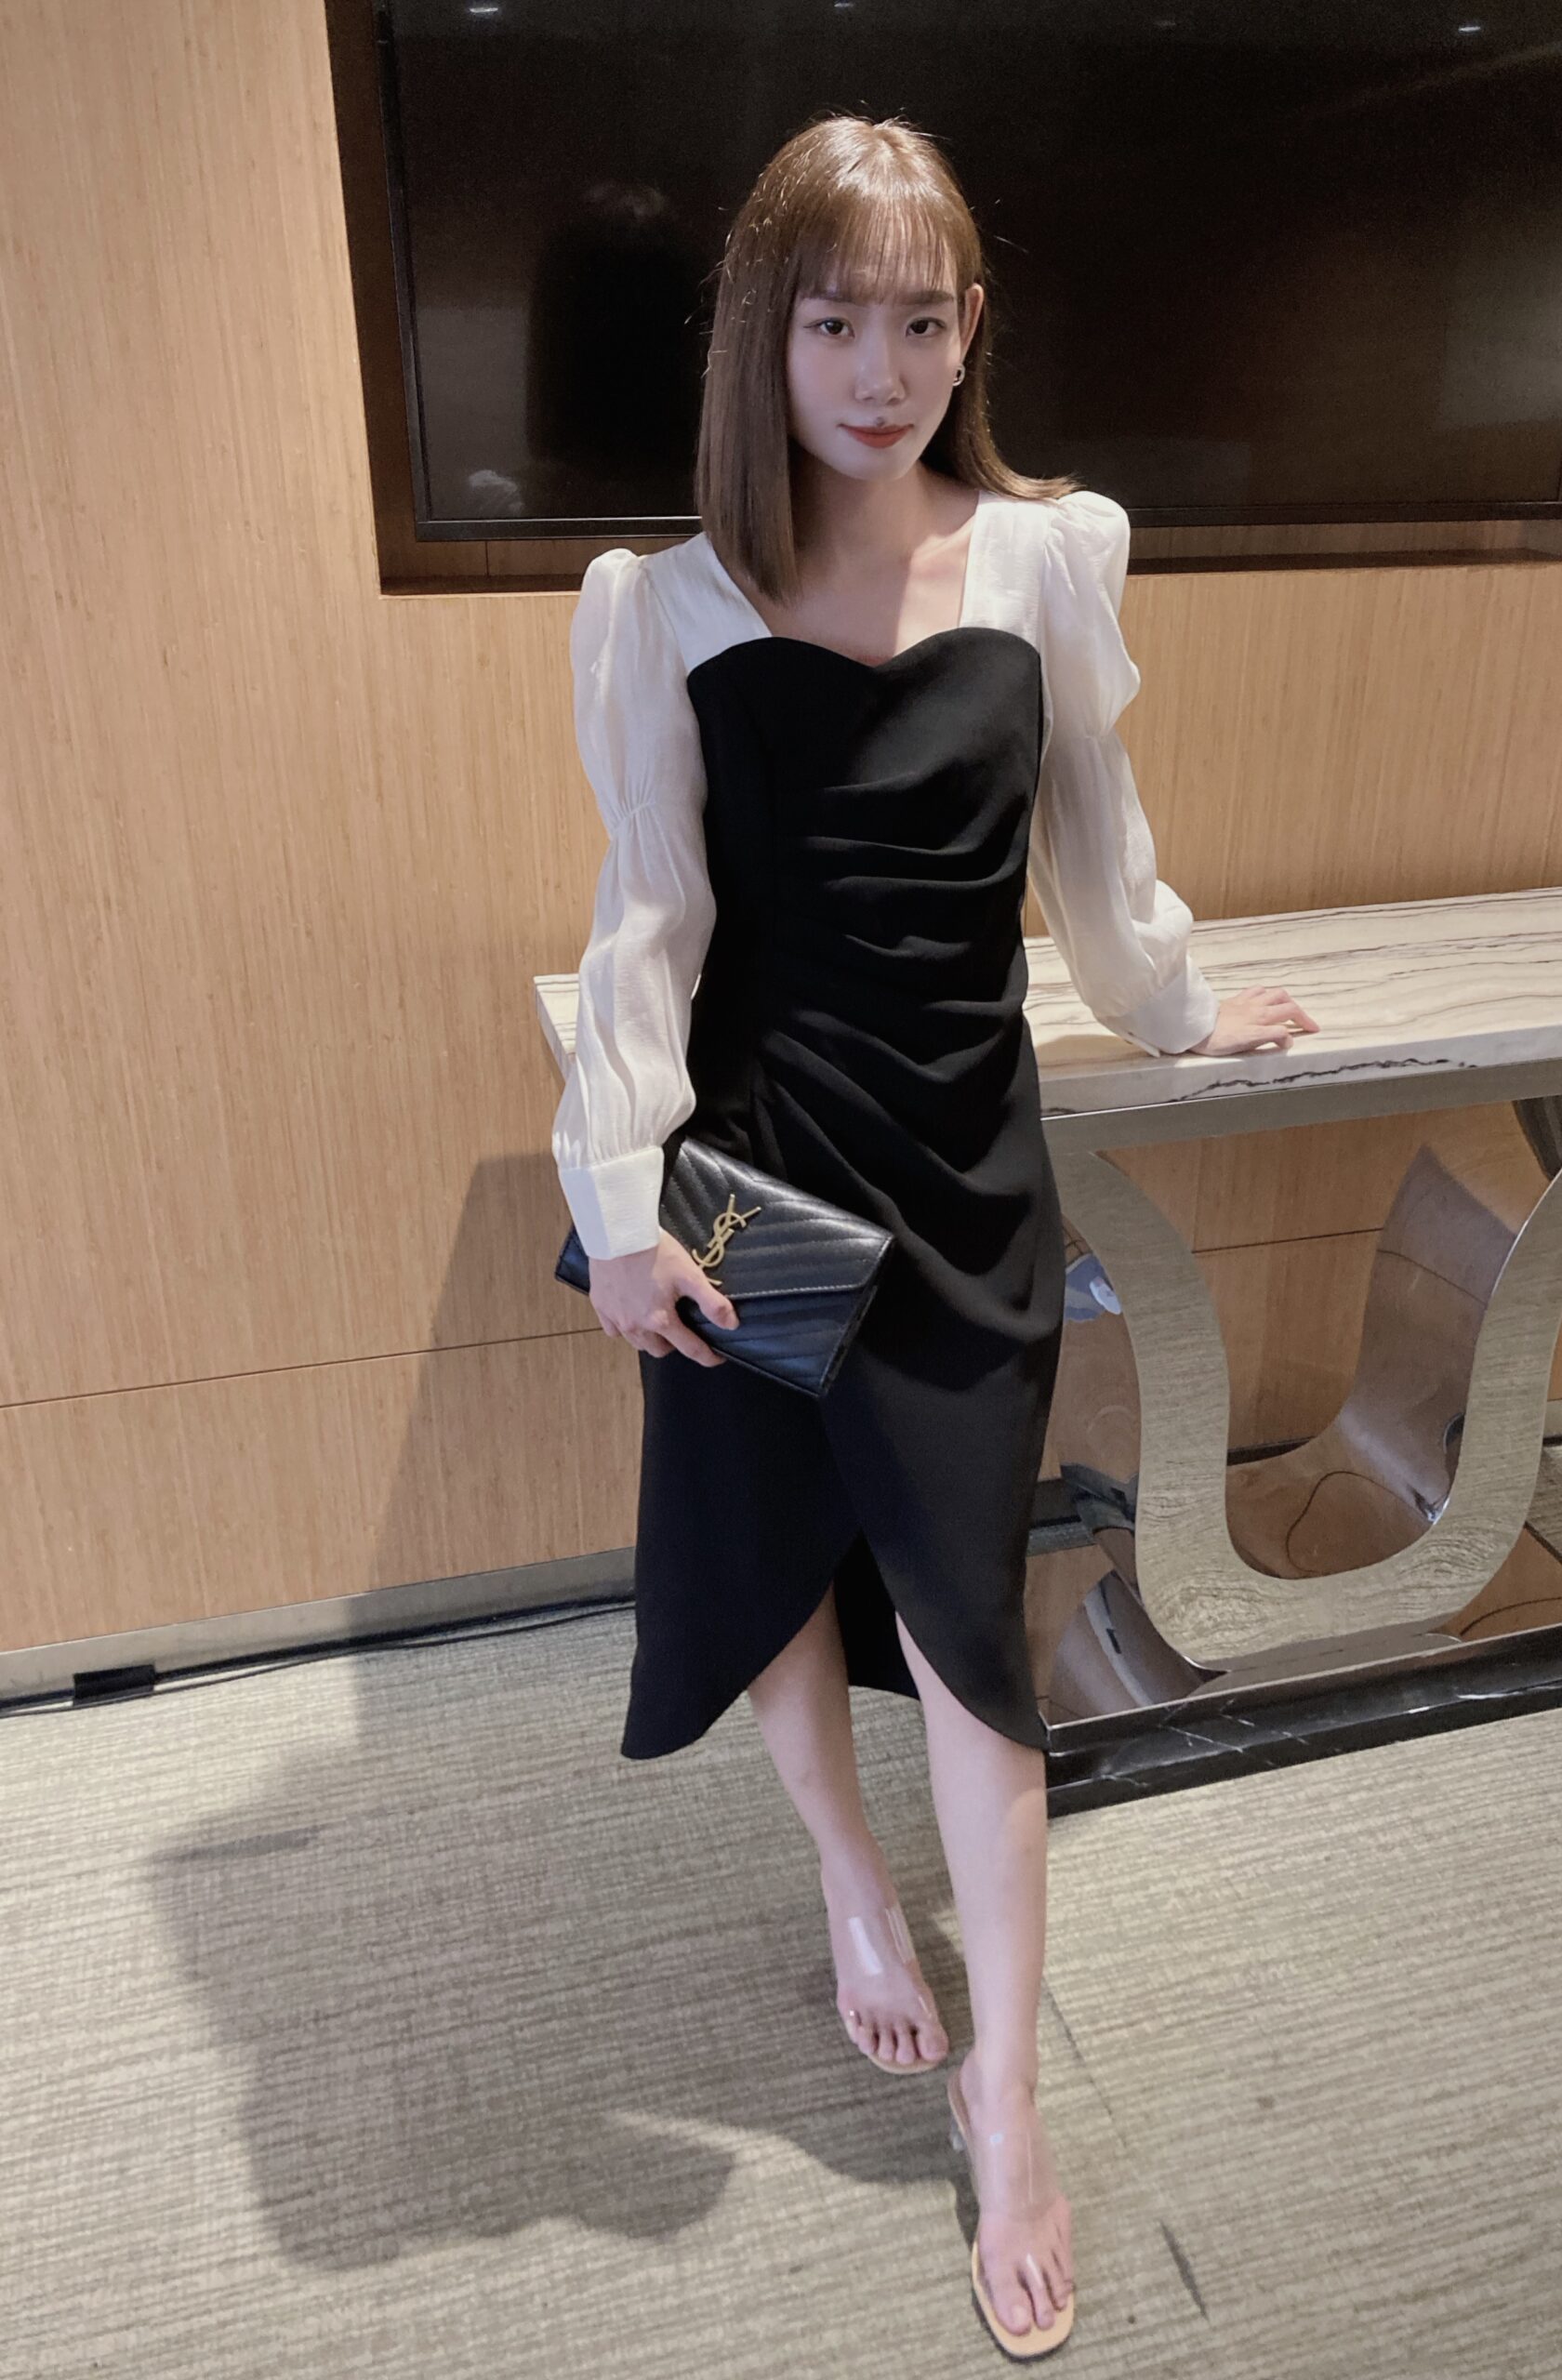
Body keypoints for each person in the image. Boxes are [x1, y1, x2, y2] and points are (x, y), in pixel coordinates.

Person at [552, 112, 1318, 2360]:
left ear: (970, 327)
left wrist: (1176, 1008)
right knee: (770, 1555)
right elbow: (648, 924)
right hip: (761, 1167)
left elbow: (1096, 852)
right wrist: (620, 1205)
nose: (878, 369)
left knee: (976, 1622)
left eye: (918, 319)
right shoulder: (664, 599)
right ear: (762, 333)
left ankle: (1010, 2095)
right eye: (832, 321)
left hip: (968, 1165)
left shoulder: (1047, 557)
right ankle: (851, 1892)